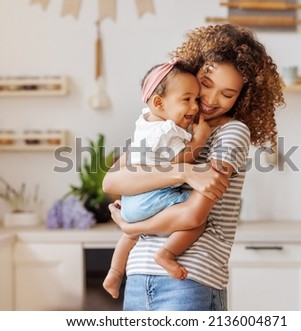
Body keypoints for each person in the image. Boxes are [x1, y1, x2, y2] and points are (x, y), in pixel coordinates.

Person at [103, 24, 285, 311]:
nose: (211, 100)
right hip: (138, 276)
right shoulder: (167, 127)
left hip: (189, 280)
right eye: (206, 84)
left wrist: (130, 226)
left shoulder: (232, 133)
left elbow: (192, 215)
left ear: (243, 97)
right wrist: (184, 171)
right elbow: (112, 182)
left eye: (227, 94)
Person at [103, 59, 212, 299]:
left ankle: (114, 272)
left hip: (131, 201)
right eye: (187, 99)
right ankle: (167, 254)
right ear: (158, 102)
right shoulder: (167, 131)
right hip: (153, 197)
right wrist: (199, 140)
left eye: (196, 99)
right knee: (198, 218)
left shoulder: (145, 123)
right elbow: (178, 163)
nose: (195, 107)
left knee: (130, 234)